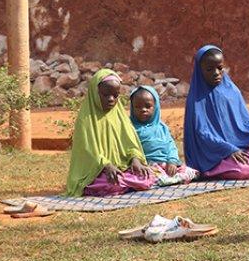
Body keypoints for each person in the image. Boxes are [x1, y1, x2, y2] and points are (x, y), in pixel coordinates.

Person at [183, 45, 249, 179]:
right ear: (200, 71)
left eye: (220, 68)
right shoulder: (196, 99)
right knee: (241, 169)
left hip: (240, 150)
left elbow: (246, 122)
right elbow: (202, 133)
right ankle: (218, 170)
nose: (216, 73)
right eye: (209, 69)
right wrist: (229, 150)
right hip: (213, 157)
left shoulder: (232, 92)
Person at [66, 69, 156, 197]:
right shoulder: (86, 119)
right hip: (96, 172)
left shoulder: (120, 116)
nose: (111, 99)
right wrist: (106, 165)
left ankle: (121, 185)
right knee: (110, 182)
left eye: (115, 95)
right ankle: (116, 186)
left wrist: (135, 160)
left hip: (121, 168)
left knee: (147, 176)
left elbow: (131, 144)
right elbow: (88, 152)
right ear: (95, 93)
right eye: (105, 95)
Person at [130, 85, 198, 186]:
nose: (143, 110)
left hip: (165, 164)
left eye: (148, 106)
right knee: (145, 176)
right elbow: (130, 148)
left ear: (156, 106)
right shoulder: (130, 128)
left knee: (189, 171)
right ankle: (163, 180)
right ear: (132, 107)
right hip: (147, 165)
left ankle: (169, 178)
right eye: (138, 107)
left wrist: (172, 161)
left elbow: (170, 145)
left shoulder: (161, 127)